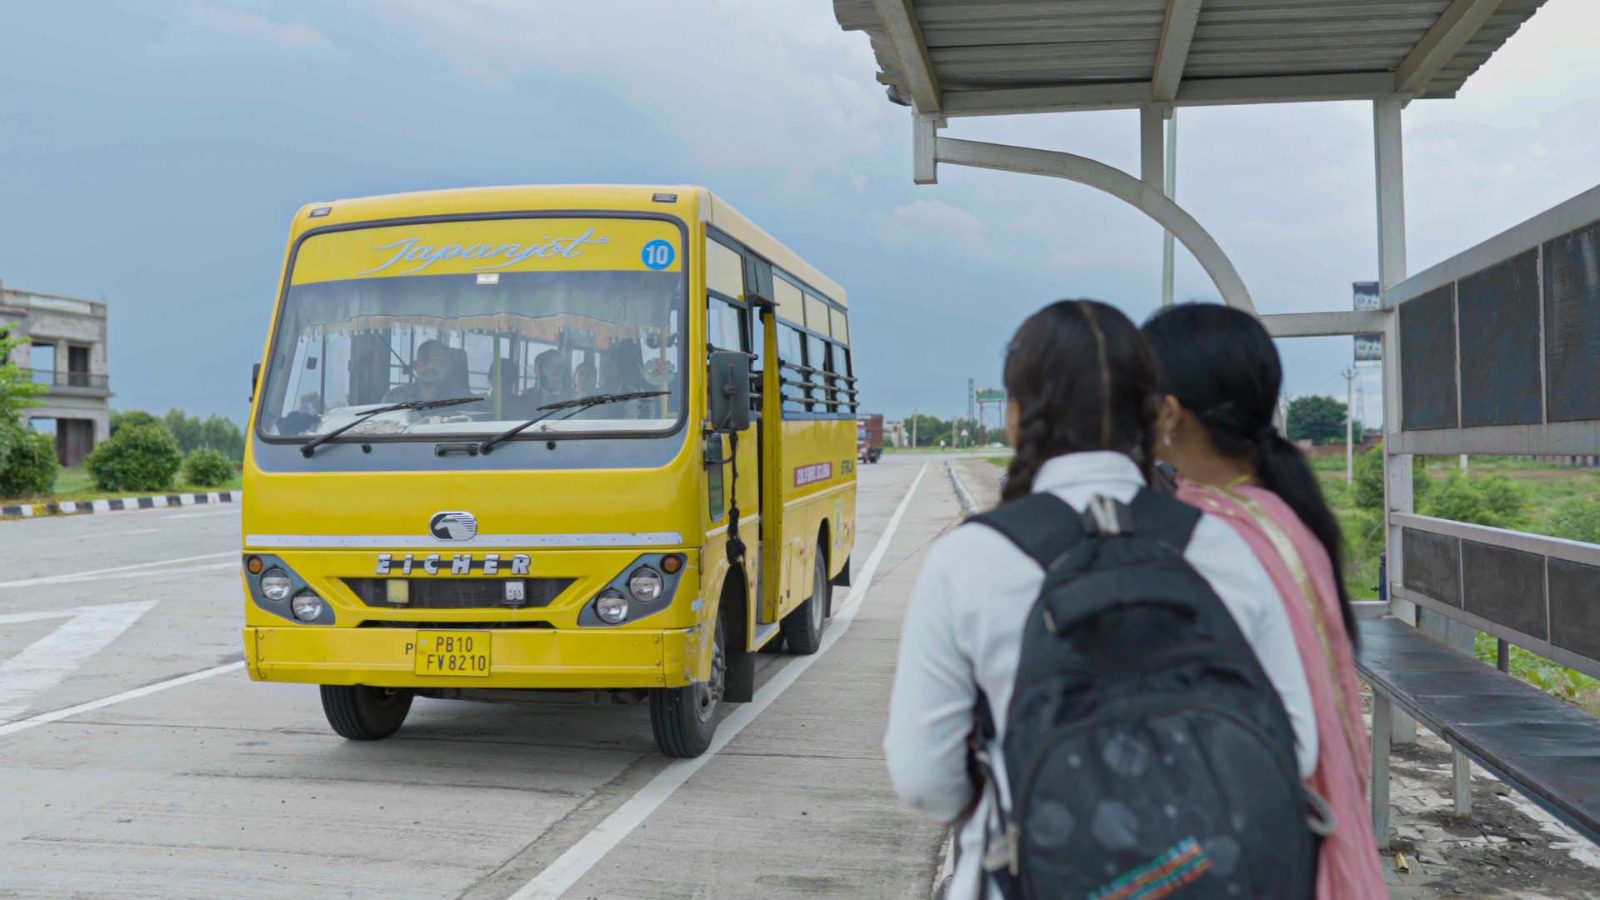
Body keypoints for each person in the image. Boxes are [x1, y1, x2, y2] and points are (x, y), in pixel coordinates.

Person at [886, 299, 1317, 900]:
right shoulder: (1219, 545)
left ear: (1015, 417)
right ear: (1155, 417)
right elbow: (1295, 746)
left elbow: (923, 779)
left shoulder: (969, 559)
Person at [1143, 303, 1388, 898]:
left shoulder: (1207, 534)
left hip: (1252, 851)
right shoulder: (1278, 511)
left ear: (1170, 413)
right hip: (1306, 831)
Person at [385, 339, 471, 403]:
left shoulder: (464, 400)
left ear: (447, 368)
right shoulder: (394, 398)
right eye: (424, 360)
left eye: (437, 361)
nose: (430, 366)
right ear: (416, 365)